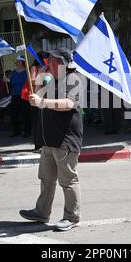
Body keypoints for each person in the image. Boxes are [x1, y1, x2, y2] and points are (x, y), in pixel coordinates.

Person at [19, 47, 85, 232]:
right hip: (49, 139)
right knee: (46, 178)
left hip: (65, 140)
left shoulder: (75, 79)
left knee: (68, 180)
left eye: (53, 61)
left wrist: (43, 102)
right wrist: (39, 80)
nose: (49, 64)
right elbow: (38, 96)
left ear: (63, 63)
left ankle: (72, 217)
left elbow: (68, 104)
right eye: (48, 61)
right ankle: (41, 212)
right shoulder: (54, 79)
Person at [9, 54, 32, 138]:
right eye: (17, 61)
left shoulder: (27, 72)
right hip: (15, 95)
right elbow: (11, 82)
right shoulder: (14, 72)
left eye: (19, 61)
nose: (17, 63)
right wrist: (7, 80)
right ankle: (16, 131)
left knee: (26, 114)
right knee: (14, 114)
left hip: (24, 95)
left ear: (23, 62)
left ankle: (27, 131)